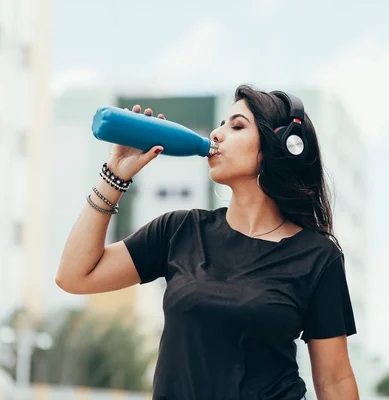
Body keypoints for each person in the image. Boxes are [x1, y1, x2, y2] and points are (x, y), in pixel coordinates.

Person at [56, 84, 359, 400]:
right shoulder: (179, 230)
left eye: (237, 126)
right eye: (222, 123)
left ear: (280, 146)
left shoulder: (317, 256)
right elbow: (75, 275)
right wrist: (114, 175)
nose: (217, 134)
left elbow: (334, 381)